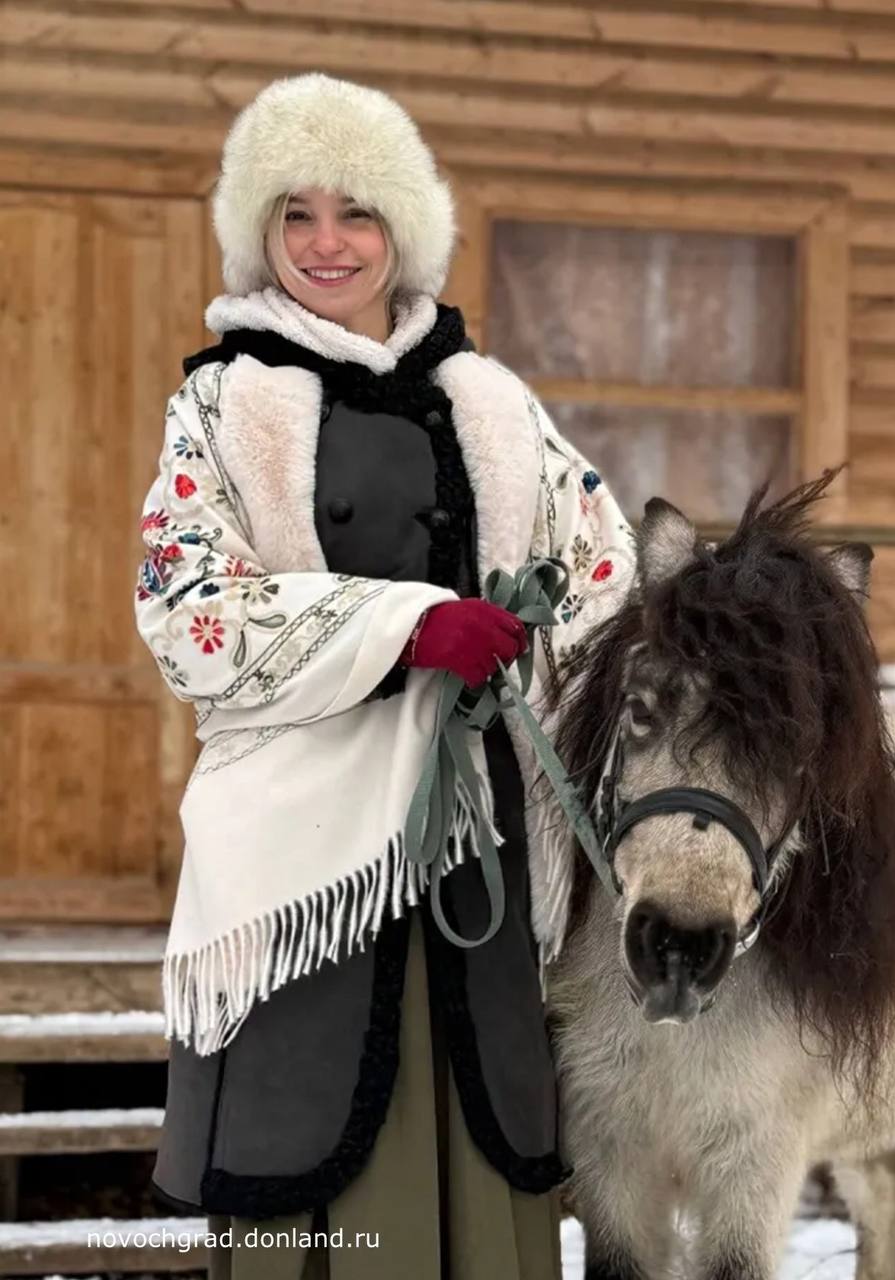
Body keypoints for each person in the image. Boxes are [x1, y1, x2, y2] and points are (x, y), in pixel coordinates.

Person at [132, 72, 634, 1279]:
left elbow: (606, 568)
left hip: (479, 834)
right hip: (311, 854)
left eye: (354, 211)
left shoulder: (494, 403)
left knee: (479, 1103)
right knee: (316, 1110)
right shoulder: (224, 402)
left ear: (402, 227)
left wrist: (530, 623)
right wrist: (404, 627)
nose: (324, 243)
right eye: (292, 214)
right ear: (258, 233)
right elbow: (187, 607)